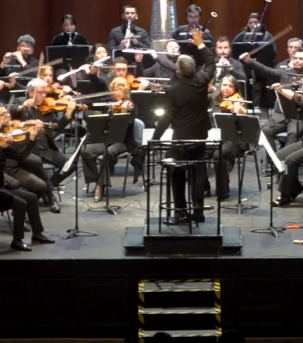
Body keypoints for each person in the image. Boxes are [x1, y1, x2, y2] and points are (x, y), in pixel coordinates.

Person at [152, 29, 215, 223]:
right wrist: (200, 43)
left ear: (178, 71)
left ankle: (180, 212)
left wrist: (155, 138)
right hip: (200, 137)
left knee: (177, 174)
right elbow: (211, 63)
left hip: (180, 140)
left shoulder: (172, 90)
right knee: (198, 173)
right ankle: (198, 212)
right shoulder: (201, 82)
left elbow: (167, 117)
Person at [0, 122, 56, 249]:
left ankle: (37, 234)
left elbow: (20, 156)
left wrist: (31, 139)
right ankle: (17, 241)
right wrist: (2, 147)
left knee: (31, 198)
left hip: (0, 187)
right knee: (21, 203)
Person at [239, 48, 303, 151]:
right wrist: (249, 61)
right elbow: (266, 70)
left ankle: (284, 159)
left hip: (299, 117)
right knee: (264, 131)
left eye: (300, 59)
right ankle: (273, 159)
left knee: (293, 134)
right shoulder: (285, 73)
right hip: (280, 115)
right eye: (295, 58)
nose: (297, 60)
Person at [13, 78, 79, 197]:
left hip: (45, 149)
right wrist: (22, 107)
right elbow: (10, 110)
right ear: (31, 92)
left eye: (45, 92)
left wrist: (68, 114)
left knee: (71, 165)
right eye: (41, 92)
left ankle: (49, 187)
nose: (44, 95)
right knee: (36, 163)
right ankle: (46, 193)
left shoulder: (47, 108)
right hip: (28, 149)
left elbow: (56, 129)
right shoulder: (21, 101)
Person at [82, 77, 141, 201]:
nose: (117, 92)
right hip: (107, 139)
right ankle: (97, 180)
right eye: (115, 89)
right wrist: (83, 102)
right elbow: (93, 103)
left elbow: (126, 127)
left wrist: (124, 112)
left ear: (125, 91)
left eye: (120, 90)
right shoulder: (109, 102)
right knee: (86, 151)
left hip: (123, 141)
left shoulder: (131, 105)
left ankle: (100, 186)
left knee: (108, 153)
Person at [208, 75, 250, 200]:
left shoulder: (239, 102)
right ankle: (203, 186)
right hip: (213, 136)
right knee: (197, 151)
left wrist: (237, 112)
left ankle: (222, 190)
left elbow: (243, 127)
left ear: (235, 88)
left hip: (233, 139)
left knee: (219, 155)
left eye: (230, 86)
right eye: (224, 85)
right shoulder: (213, 98)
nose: (226, 88)